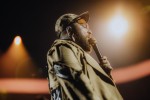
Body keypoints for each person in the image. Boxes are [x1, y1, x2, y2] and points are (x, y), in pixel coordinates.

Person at [47, 11, 123, 100]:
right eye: (84, 26)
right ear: (69, 30)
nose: (90, 31)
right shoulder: (62, 47)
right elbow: (75, 82)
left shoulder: (78, 53)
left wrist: (105, 75)